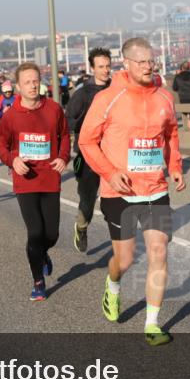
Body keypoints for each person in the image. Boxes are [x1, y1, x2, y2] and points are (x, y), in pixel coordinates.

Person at [78, 37, 186, 346]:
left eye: (151, 61)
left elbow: (171, 132)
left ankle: (152, 323)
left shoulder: (164, 97)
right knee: (124, 261)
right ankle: (112, 286)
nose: (148, 66)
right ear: (126, 63)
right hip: (120, 192)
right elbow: (87, 141)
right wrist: (110, 174)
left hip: (155, 188)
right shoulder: (108, 98)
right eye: (141, 62)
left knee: (158, 252)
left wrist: (174, 164)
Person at [0, 63, 70, 302]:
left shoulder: (54, 109)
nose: (33, 85)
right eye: (27, 81)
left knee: (52, 234)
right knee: (35, 231)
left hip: (49, 178)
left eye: (36, 80)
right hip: (25, 179)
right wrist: (12, 159)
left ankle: (42, 254)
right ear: (18, 86)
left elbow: (65, 135)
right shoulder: (11, 116)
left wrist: (63, 157)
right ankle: (38, 281)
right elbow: (0, 145)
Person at [65, 47, 112, 253]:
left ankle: (119, 239)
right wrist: (86, 126)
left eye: (108, 66)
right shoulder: (82, 94)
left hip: (112, 152)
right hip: (87, 154)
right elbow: (67, 121)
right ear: (92, 68)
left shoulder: (117, 90)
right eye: (101, 67)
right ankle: (82, 227)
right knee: (88, 199)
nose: (105, 70)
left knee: (115, 197)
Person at [171, 61, 190, 131]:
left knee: (185, 111)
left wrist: (180, 89)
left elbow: (174, 88)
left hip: (182, 96)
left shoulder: (178, 77)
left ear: (182, 68)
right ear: (189, 68)